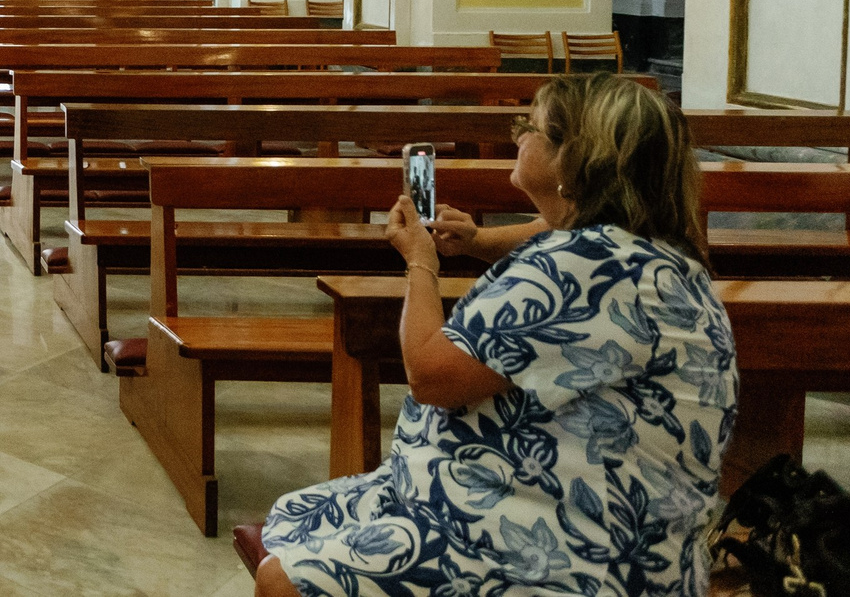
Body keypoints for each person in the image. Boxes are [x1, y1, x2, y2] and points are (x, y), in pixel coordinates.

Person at [254, 73, 739, 597]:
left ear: (573, 162)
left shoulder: (581, 267)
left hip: (566, 554)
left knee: (282, 581)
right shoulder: (646, 247)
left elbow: (430, 374)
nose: (517, 138)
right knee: (303, 513)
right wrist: (479, 240)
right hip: (608, 530)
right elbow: (555, 231)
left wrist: (422, 262)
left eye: (529, 128)